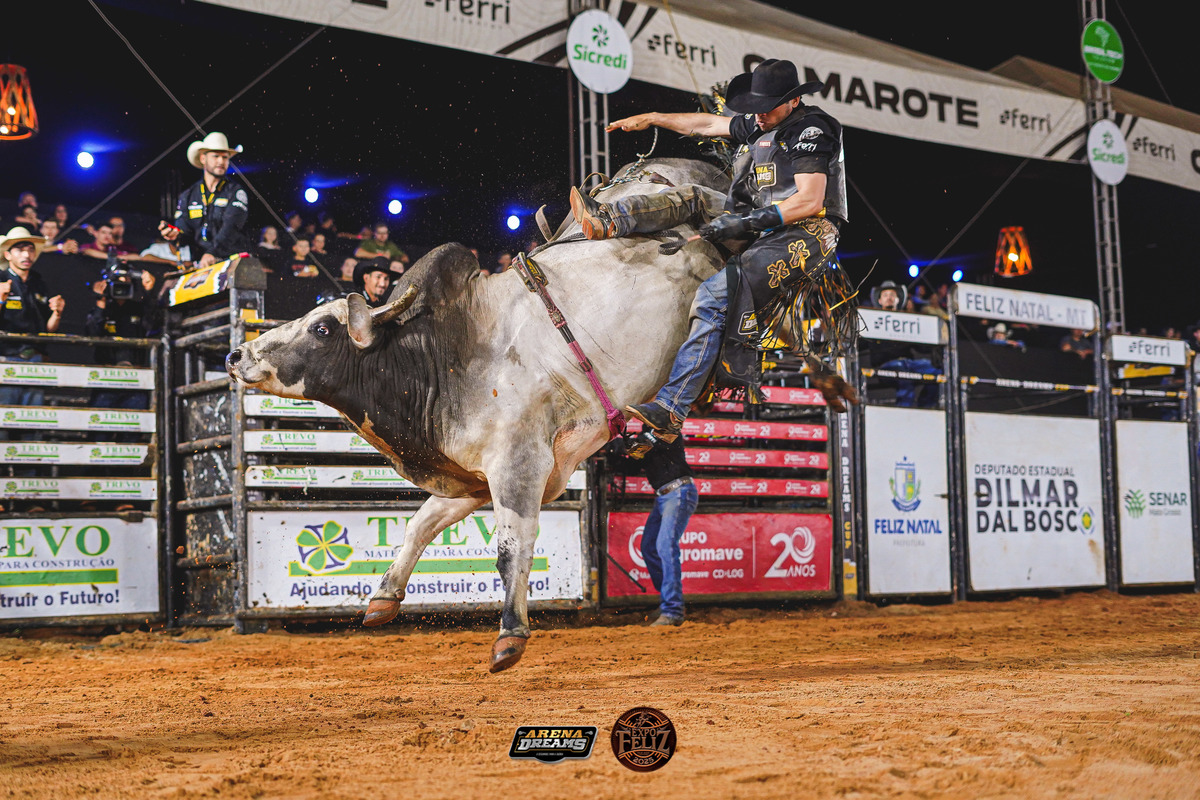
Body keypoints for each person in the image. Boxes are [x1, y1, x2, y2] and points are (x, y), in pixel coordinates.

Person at [569, 58, 856, 440]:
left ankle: (671, 408)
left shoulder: (812, 129)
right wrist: (653, 117)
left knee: (714, 296)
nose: (759, 114)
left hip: (808, 232)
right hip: (765, 221)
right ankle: (609, 218)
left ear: (792, 101)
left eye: (767, 107)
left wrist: (745, 222)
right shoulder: (761, 123)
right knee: (694, 195)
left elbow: (809, 200)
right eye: (756, 106)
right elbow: (706, 124)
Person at [161, 131, 249, 268]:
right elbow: (184, 232)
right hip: (202, 266)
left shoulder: (236, 192)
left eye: (225, 157)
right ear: (203, 158)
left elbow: (231, 229)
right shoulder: (188, 195)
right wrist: (174, 234)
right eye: (216, 156)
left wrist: (212, 253)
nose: (221, 161)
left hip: (233, 265)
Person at [0, 226, 66, 406]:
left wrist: (57, 313)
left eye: (30, 250)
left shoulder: (39, 283)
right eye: (20, 250)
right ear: (7, 255)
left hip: (35, 357)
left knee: (33, 413)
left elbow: (49, 328)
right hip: (6, 356)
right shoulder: (1, 279)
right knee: (5, 411)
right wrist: (0, 299)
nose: (26, 255)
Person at [866, 280, 941, 408]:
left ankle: (926, 406)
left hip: (909, 363)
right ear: (880, 300)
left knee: (937, 373)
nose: (889, 298)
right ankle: (904, 411)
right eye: (885, 295)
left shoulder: (906, 321)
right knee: (903, 375)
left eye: (892, 295)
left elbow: (921, 346)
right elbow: (860, 342)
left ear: (898, 299)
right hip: (887, 365)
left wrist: (934, 345)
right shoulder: (873, 322)